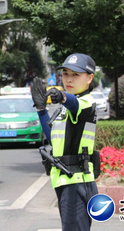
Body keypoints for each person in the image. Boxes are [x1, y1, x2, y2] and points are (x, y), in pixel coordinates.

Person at [31, 53, 98, 231]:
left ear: (89, 78)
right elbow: (54, 138)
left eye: (76, 75)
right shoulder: (63, 109)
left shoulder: (86, 104)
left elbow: (74, 103)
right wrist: (41, 110)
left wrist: (62, 96)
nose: (69, 79)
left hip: (76, 181)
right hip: (65, 180)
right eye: (66, 73)